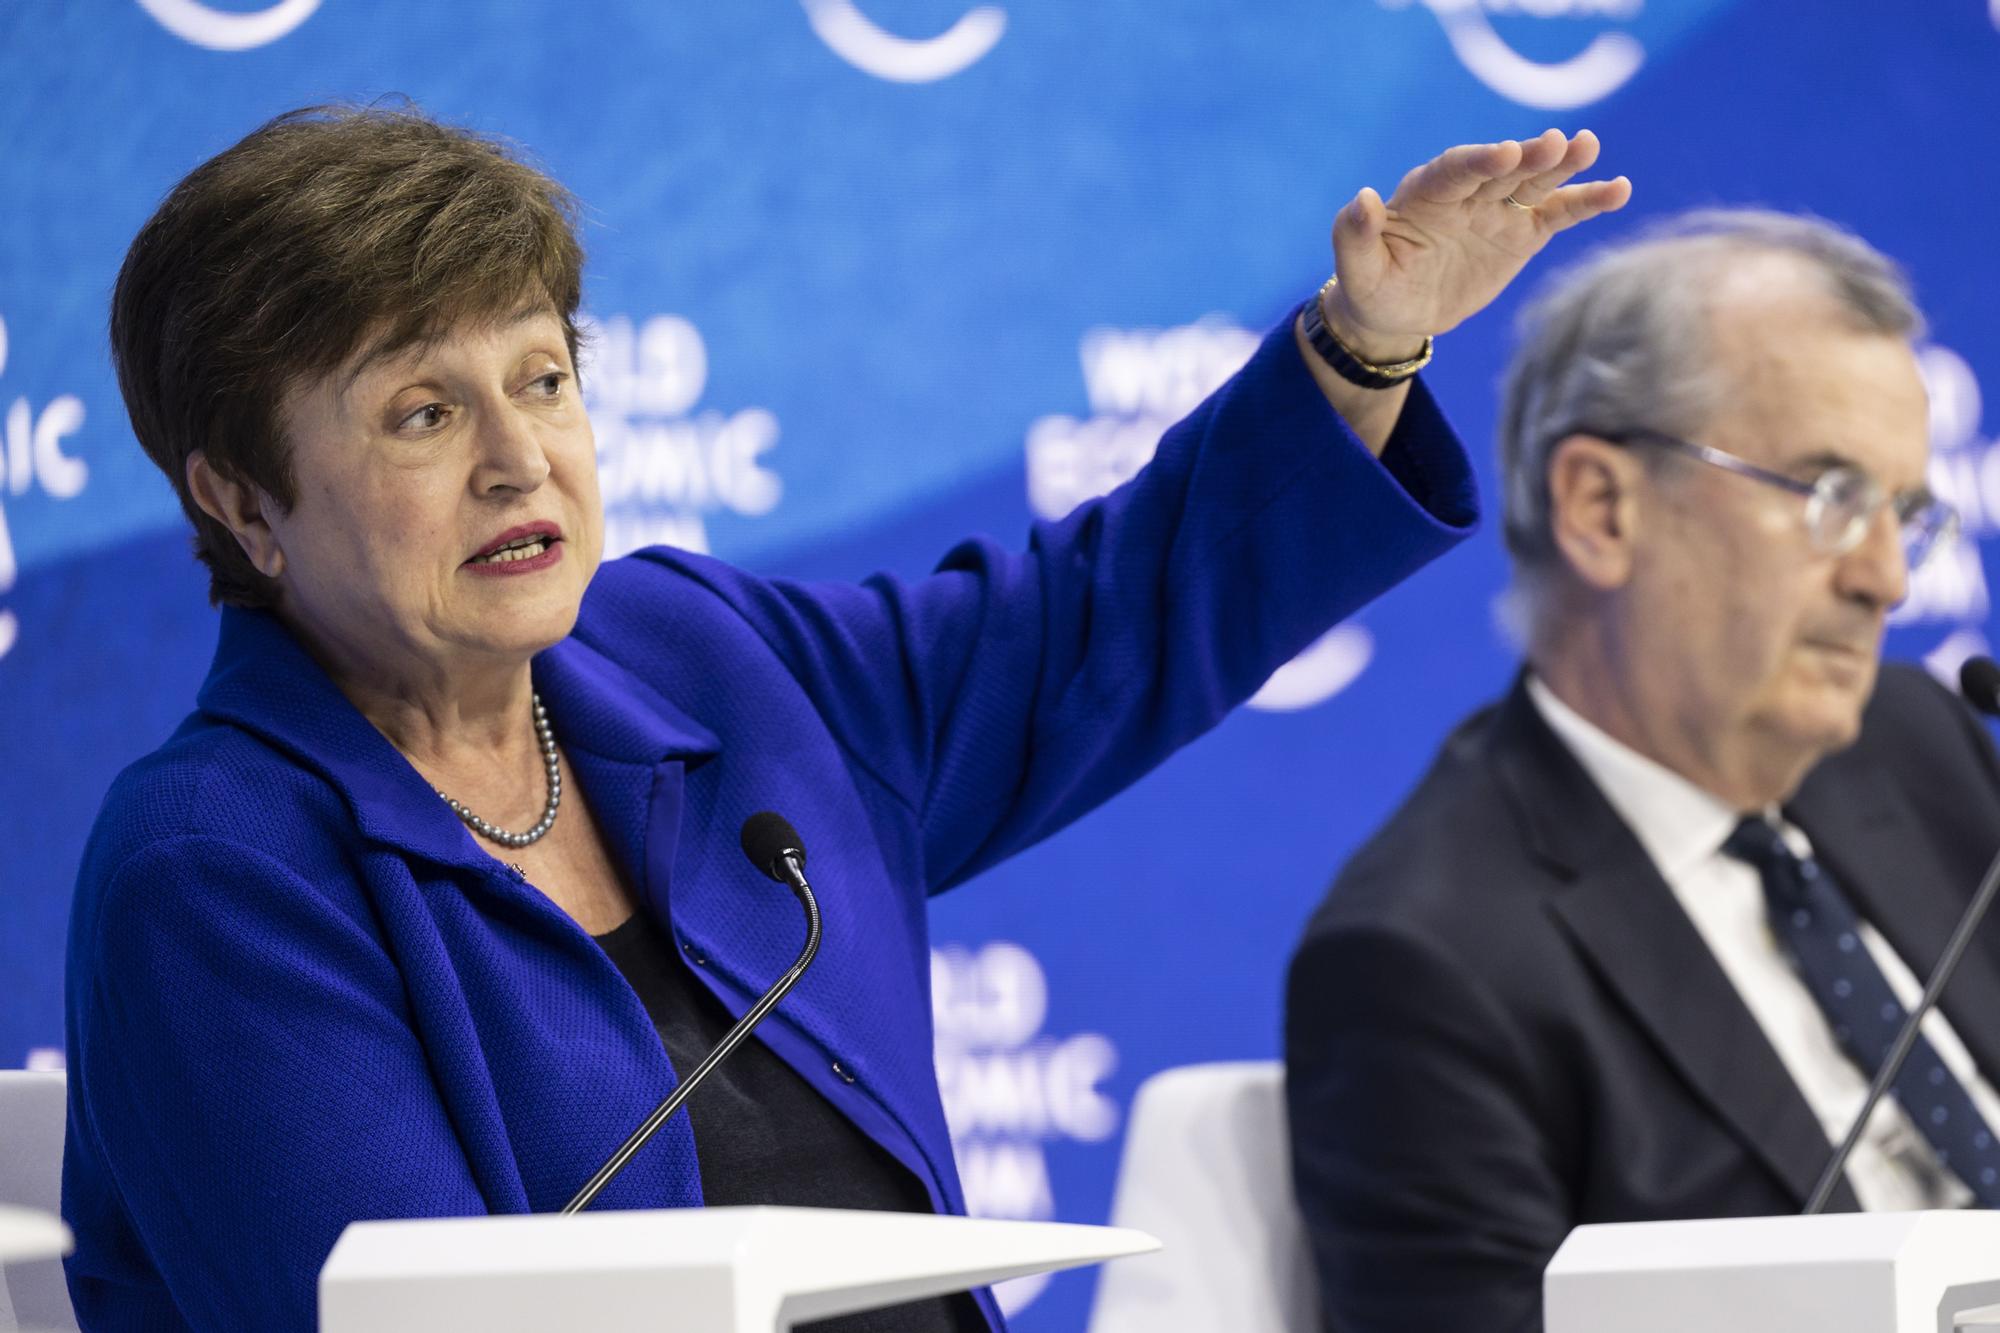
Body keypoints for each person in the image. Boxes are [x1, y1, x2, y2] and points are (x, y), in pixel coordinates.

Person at [61, 103, 1627, 1332]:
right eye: (423, 411)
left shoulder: (699, 662)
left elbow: (1096, 622)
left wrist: (1361, 349)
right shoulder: (217, 868)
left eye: (542, 379)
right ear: (241, 500)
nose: (518, 458)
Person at [1284, 209, 1995, 1332]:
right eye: (1830, 498)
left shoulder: (1921, 748)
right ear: (1600, 508)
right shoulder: (1423, 959)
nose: (1886, 581)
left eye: (1903, 514)